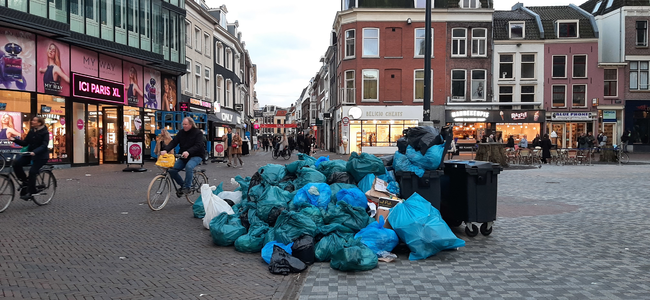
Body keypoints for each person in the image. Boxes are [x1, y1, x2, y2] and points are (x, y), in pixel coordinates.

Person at [159, 117, 205, 195]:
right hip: (183, 156)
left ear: (190, 124)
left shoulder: (198, 133)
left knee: (189, 167)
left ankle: (187, 187)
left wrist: (188, 152)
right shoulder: (181, 132)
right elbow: (174, 142)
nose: (184, 126)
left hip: (196, 155)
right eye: (183, 124)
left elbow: (198, 145)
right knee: (172, 170)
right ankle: (183, 185)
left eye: (186, 124)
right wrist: (166, 150)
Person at [9, 116, 49, 200]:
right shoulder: (32, 131)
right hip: (30, 154)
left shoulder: (45, 133)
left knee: (32, 171)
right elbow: (25, 143)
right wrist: (14, 140)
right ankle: (25, 181)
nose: (32, 121)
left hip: (41, 156)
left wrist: (35, 151)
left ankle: (32, 191)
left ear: (39, 123)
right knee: (16, 163)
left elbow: (44, 145)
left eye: (34, 120)